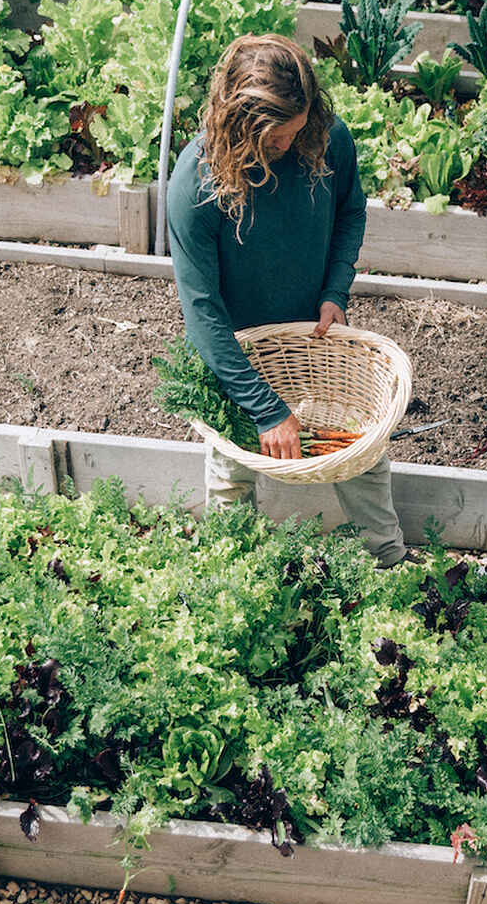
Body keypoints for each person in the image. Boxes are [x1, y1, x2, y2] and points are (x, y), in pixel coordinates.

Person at [166, 33, 411, 567]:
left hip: (313, 340)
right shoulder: (197, 185)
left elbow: (350, 212)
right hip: (239, 351)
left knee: (362, 454)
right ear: (240, 127)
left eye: (298, 131)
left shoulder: (324, 139)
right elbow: (203, 313)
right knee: (232, 472)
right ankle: (231, 570)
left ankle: (389, 561)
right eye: (276, 140)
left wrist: (333, 291)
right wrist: (263, 407)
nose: (289, 147)